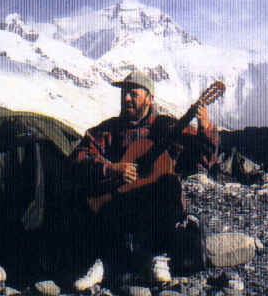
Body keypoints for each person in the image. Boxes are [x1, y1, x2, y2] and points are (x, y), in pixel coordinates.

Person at [69, 70, 219, 287]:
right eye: (124, 94)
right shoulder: (109, 130)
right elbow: (78, 158)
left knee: (168, 184)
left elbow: (203, 161)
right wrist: (110, 168)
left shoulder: (167, 128)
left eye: (133, 93)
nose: (127, 98)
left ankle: (158, 255)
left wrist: (205, 128)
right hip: (119, 208)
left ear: (150, 98)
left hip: (156, 212)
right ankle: (105, 262)